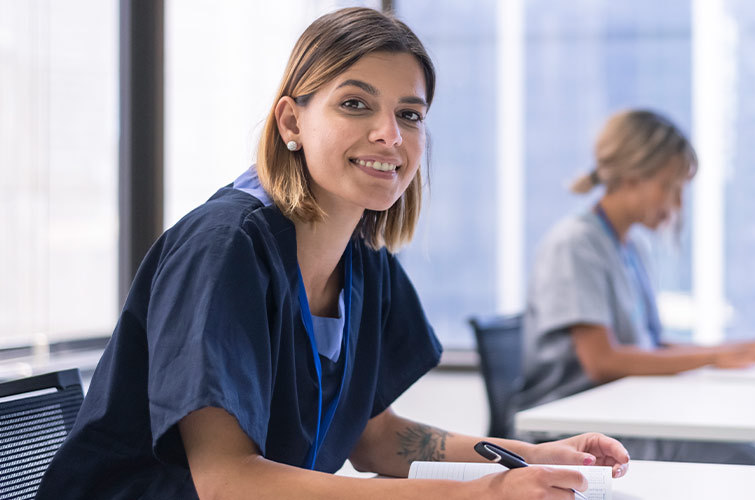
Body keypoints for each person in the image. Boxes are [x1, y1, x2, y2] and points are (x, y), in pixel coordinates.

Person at [37, 8, 628, 499]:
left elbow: (373, 438)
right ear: (292, 120)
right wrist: (474, 493)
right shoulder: (224, 248)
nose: (389, 135)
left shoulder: (363, 257)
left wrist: (523, 459)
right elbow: (227, 482)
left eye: (409, 114)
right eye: (355, 104)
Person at [519, 109, 755, 466]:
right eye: (669, 187)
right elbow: (603, 361)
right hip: (574, 437)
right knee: (750, 463)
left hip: (623, 415)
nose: (677, 205)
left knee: (747, 453)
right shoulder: (574, 245)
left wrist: (729, 352)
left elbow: (649, 344)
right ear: (632, 176)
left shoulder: (631, 246)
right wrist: (713, 356)